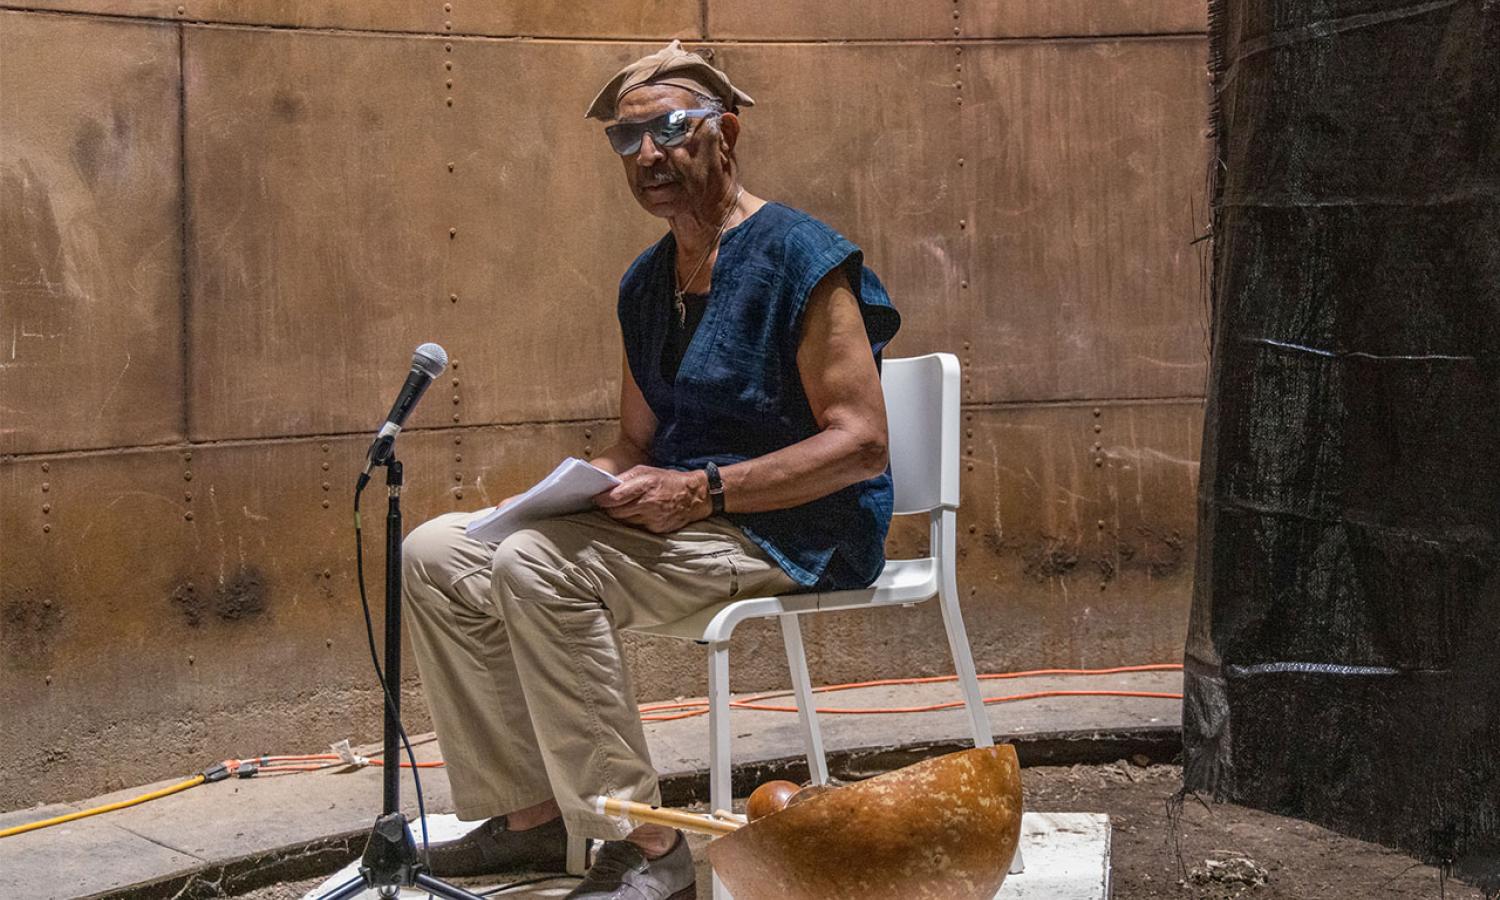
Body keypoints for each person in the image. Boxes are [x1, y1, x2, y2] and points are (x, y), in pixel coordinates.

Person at [402, 41, 901, 898]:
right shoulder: (645, 282)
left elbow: (861, 443)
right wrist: (565, 493)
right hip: (684, 519)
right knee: (440, 552)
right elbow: (634, 444)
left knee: (538, 566)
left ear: (726, 131)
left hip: (787, 528)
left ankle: (649, 847)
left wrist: (702, 490)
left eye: (669, 129)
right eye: (627, 141)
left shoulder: (799, 256)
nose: (648, 156)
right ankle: (534, 821)